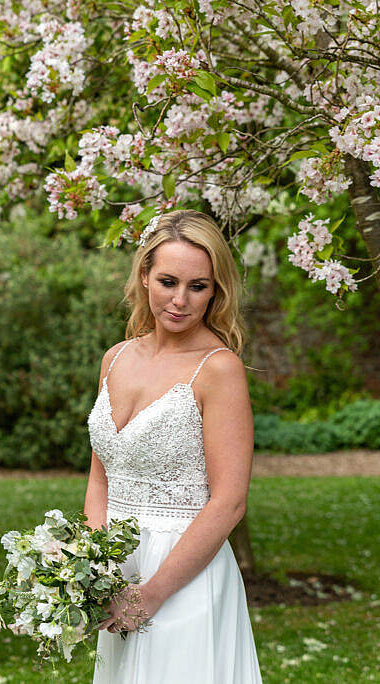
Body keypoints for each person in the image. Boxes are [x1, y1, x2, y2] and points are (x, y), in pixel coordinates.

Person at [85, 210, 262, 682]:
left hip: (184, 570)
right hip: (117, 563)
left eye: (198, 286)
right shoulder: (115, 358)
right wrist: (93, 567)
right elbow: (101, 476)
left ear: (215, 290)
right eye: (167, 281)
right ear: (144, 276)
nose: (180, 300)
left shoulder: (218, 369)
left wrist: (153, 593)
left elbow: (229, 502)